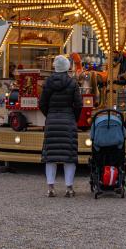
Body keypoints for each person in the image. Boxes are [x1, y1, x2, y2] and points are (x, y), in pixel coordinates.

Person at [40, 55, 82, 197]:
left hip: (52, 121)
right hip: (68, 120)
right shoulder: (72, 83)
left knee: (50, 156)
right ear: (67, 67)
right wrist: (73, 117)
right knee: (69, 156)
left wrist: (50, 114)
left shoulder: (47, 83)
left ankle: (50, 188)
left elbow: (42, 104)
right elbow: (79, 104)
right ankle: (69, 188)